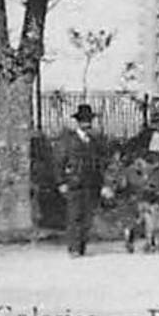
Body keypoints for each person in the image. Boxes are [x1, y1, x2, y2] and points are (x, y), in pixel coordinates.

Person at [56, 104, 110, 258]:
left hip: (91, 183)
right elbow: (59, 162)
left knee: (87, 217)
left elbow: (100, 164)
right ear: (78, 122)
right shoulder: (68, 141)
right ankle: (73, 248)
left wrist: (103, 184)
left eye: (89, 121)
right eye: (83, 121)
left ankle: (81, 246)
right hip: (74, 183)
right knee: (74, 216)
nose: (87, 124)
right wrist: (61, 182)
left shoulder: (94, 141)